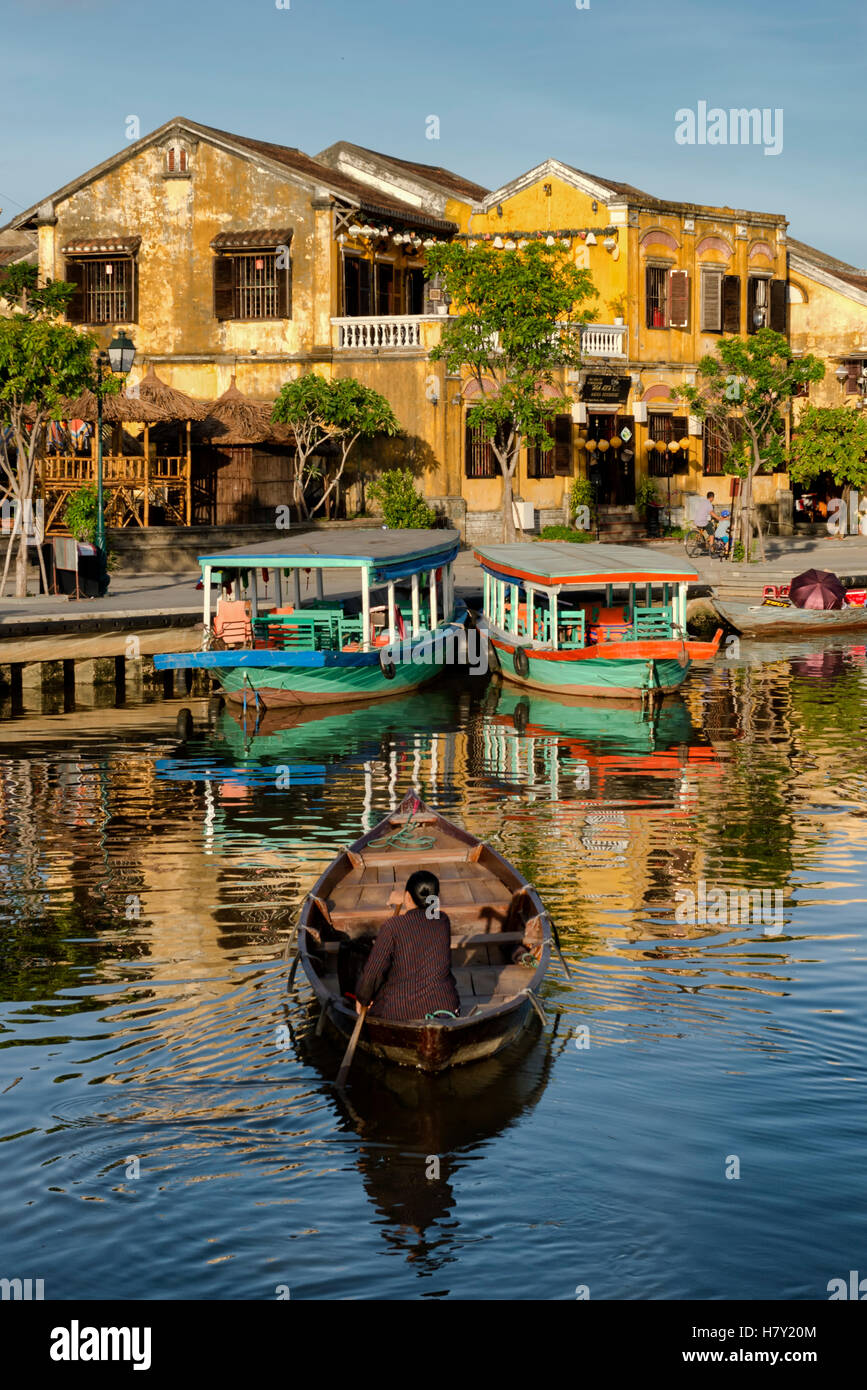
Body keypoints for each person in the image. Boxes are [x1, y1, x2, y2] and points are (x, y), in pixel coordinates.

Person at [353, 870, 460, 1022]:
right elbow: (431, 908)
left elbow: (374, 972)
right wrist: (406, 897)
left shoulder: (392, 927)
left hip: (399, 1012)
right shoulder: (442, 921)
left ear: (408, 896)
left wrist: (363, 998)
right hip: (445, 1009)